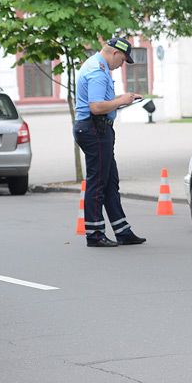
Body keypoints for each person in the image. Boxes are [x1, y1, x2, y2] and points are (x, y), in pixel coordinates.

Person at [73, 37, 146, 247]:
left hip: (95, 128)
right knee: (98, 183)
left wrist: (124, 99)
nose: (122, 65)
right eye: (123, 60)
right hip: (95, 129)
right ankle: (95, 234)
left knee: (110, 182)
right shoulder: (97, 71)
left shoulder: (98, 66)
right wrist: (121, 101)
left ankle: (122, 231)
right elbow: (96, 107)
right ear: (115, 53)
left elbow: (102, 102)